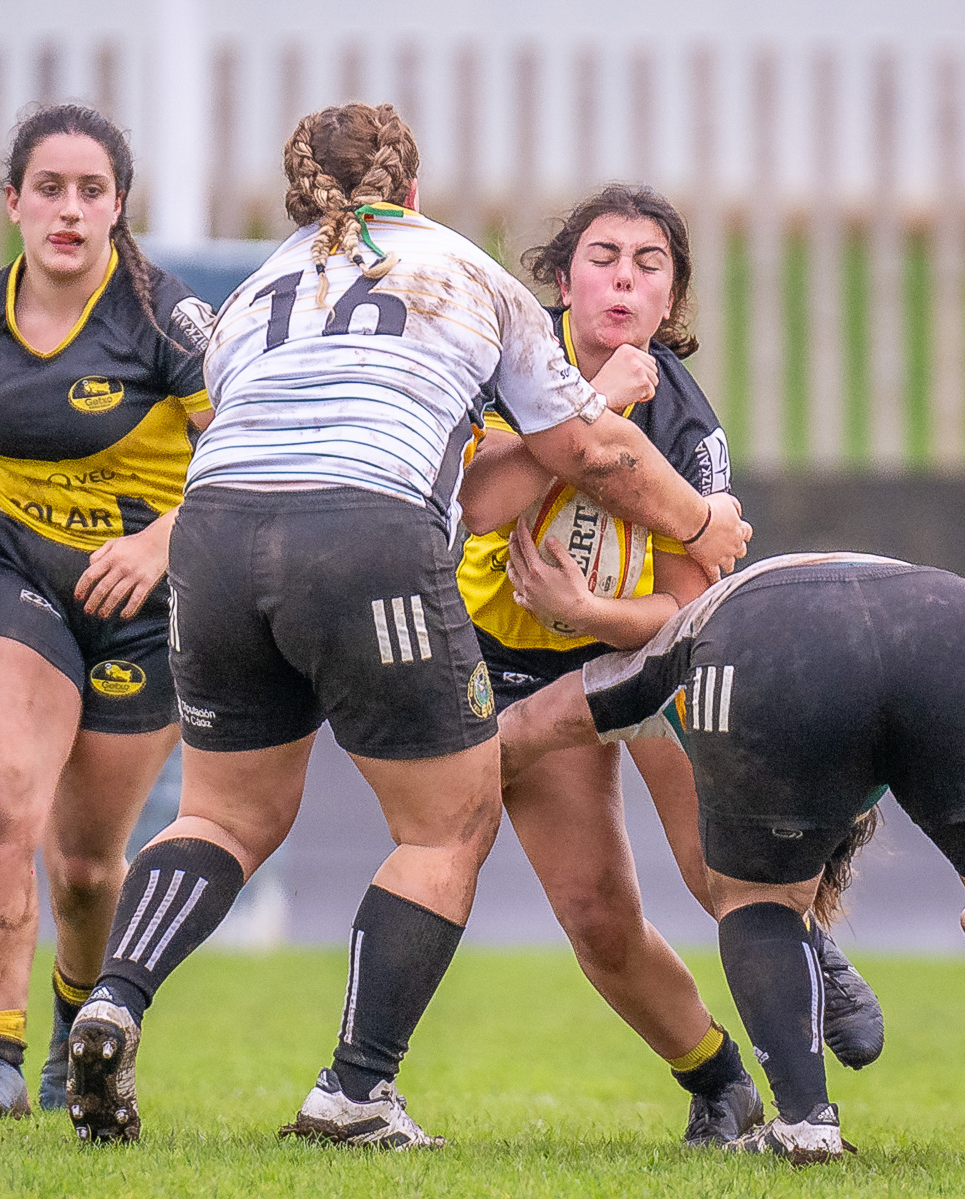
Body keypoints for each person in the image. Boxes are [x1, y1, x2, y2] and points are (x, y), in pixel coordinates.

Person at [58, 102, 751, 1149]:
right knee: (446, 822)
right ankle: (355, 1088)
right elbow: (590, 451)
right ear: (412, 191)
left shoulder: (254, 290)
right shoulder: (465, 272)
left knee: (223, 815)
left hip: (212, 535)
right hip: (366, 529)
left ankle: (113, 995)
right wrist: (703, 520)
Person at [498, 552, 965, 1163]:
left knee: (756, 898)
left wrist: (444, 823)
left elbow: (527, 726)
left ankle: (806, 1124)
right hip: (960, 620)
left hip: (772, 637)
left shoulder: (667, 655)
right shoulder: (879, 725)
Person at [453, 183, 881, 1149]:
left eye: (652, 266)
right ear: (561, 280)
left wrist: (588, 609)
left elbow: (694, 601)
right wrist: (591, 412)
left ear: (671, 302)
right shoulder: (503, 366)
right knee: (598, 917)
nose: (624, 279)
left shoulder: (687, 416)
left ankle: (810, 956)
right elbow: (478, 501)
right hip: (512, 666)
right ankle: (718, 1080)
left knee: (720, 873)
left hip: (644, 651)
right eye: (604, 257)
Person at [0, 104, 216, 1118]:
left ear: (118, 207)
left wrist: (160, 543)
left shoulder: (169, 322)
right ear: (13, 201)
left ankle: (79, 1022)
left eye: (92, 191)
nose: (69, 209)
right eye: (50, 189)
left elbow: (241, 460)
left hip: (141, 605)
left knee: (81, 863)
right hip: (15, 570)